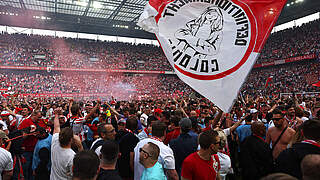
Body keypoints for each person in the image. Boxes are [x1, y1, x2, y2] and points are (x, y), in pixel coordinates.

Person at [50, 108, 83, 180]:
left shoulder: (55, 142)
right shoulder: (72, 156)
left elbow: (56, 127)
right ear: (71, 140)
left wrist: (56, 115)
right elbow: (77, 175)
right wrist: (80, 147)